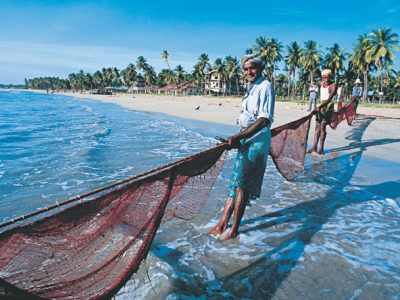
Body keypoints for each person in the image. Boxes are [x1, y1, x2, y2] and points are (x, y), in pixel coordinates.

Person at [209, 54, 275, 240]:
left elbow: (264, 119)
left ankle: (234, 230)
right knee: (235, 183)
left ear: (260, 68)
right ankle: (221, 225)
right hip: (246, 137)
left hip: (257, 140)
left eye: (252, 68)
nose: (248, 72)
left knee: (242, 187)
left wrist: (238, 136)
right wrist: (239, 136)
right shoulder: (251, 87)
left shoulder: (265, 86)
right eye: (245, 69)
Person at [307, 69, 337, 155]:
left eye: (328, 77)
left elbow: (329, 99)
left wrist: (319, 107)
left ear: (331, 77)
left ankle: (321, 149)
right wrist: (319, 107)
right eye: (324, 77)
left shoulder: (333, 86)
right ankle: (314, 147)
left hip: (328, 107)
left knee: (323, 127)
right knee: (317, 127)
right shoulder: (322, 84)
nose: (326, 79)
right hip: (320, 107)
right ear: (322, 78)